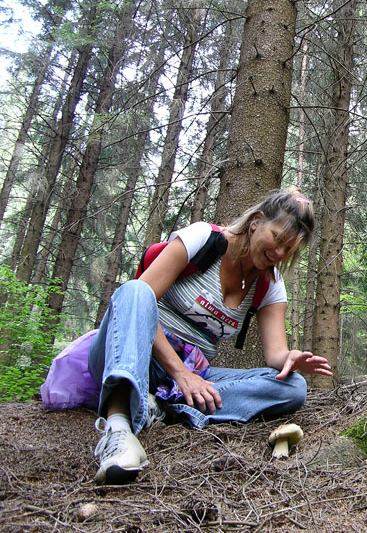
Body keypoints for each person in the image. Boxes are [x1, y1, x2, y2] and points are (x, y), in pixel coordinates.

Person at [89, 188, 332, 484]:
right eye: (278, 239)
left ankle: (160, 407)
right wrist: (180, 373)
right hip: (134, 351)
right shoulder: (202, 238)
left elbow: (275, 354)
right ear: (256, 221)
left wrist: (290, 358)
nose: (279, 253)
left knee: (293, 388)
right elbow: (140, 300)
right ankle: (118, 431)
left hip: (190, 375)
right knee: (135, 290)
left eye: (289, 249)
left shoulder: (271, 285)